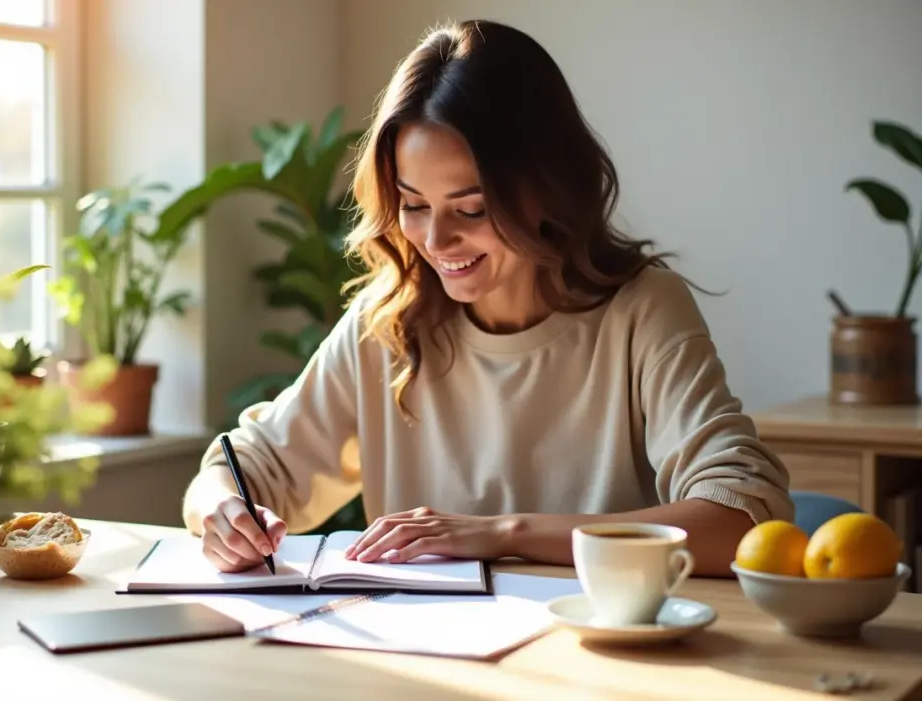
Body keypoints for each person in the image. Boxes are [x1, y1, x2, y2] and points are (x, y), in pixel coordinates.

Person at [183, 19, 793, 579]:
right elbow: (244, 467)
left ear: (548, 186)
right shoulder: (388, 322)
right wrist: (222, 509)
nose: (436, 240)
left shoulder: (642, 311)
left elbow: (739, 522)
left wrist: (504, 534)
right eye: (414, 206)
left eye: (471, 209)